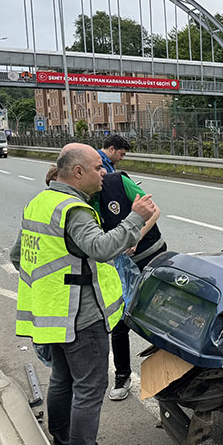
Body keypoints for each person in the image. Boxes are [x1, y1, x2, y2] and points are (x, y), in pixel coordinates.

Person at [9, 143, 156, 445]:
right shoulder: (75, 209)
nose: (103, 173)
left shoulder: (40, 203)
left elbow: (18, 256)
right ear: (78, 172)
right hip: (81, 316)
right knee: (90, 389)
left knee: (62, 380)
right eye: (97, 168)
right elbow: (102, 248)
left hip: (52, 312)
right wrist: (135, 217)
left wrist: (52, 285)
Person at [93, 169, 165, 401]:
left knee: (160, 314)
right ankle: (123, 375)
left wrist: (137, 236)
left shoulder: (117, 182)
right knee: (120, 319)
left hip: (150, 256)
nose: (101, 173)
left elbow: (154, 211)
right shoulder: (82, 201)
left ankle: (170, 373)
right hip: (118, 267)